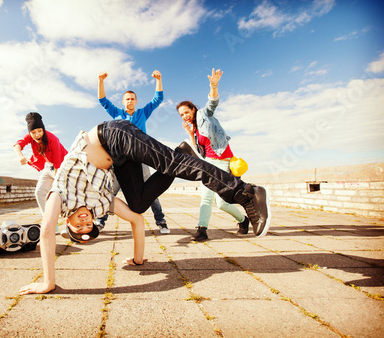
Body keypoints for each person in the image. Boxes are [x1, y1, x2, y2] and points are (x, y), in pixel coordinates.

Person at [19, 119, 271, 295]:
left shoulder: (60, 198)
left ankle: (246, 193)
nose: (85, 221)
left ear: (68, 222)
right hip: (119, 159)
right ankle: (184, 152)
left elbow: (46, 231)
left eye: (79, 226)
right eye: (89, 225)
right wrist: (138, 259)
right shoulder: (100, 205)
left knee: (174, 164)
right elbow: (137, 220)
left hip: (113, 135)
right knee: (138, 204)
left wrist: (48, 282)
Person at [177, 68, 249, 242]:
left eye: (186, 112)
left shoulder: (203, 115)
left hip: (223, 160)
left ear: (193, 109)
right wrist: (189, 133)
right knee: (208, 198)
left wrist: (214, 85)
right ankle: (202, 230)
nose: (185, 116)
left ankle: (243, 220)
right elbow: (198, 150)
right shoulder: (193, 128)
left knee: (222, 202)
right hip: (209, 162)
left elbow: (212, 103)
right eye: (181, 115)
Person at [96, 70, 170, 234]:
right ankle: (100, 221)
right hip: (121, 160)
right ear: (123, 102)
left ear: (136, 101)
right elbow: (102, 100)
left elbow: (158, 99)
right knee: (110, 191)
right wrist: (101, 81)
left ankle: (161, 221)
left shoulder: (142, 113)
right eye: (127, 99)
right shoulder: (118, 114)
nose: (130, 101)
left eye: (132, 99)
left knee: (150, 191)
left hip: (140, 157)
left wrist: (159, 79)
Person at [13, 112, 68, 234]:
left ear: (43, 129)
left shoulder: (53, 139)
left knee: (63, 194)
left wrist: (56, 187)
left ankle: (71, 222)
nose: (37, 135)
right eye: (33, 132)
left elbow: (58, 163)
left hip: (63, 167)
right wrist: (20, 156)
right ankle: (50, 223)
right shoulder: (29, 137)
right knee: (39, 192)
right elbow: (17, 145)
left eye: (39, 131)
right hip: (48, 167)